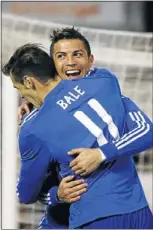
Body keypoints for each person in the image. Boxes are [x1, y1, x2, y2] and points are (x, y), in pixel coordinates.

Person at [2, 43, 153, 229]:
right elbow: (146, 130)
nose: (23, 96)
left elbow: (25, 194)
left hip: (94, 219)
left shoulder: (33, 129)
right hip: (139, 211)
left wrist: (56, 195)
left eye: (19, 89)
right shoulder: (104, 80)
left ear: (28, 82)